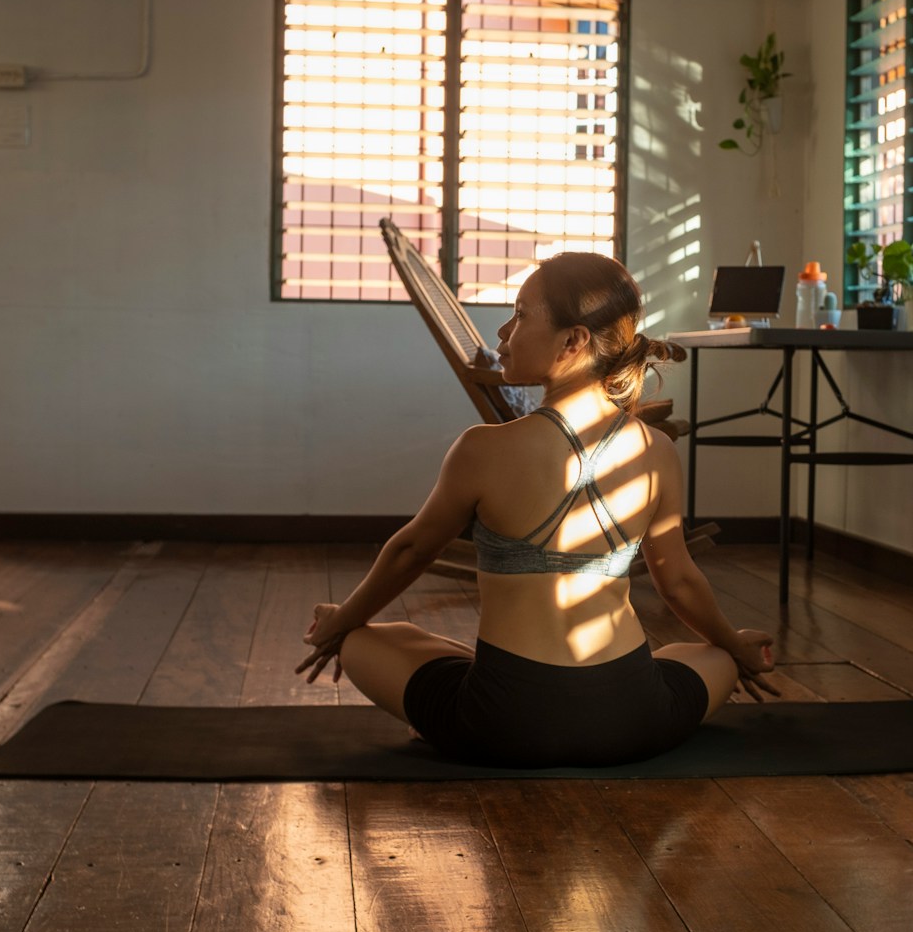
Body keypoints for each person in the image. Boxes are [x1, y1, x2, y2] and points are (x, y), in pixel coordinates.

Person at [295, 251, 777, 767]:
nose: (503, 332)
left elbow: (411, 551)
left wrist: (340, 622)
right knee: (704, 652)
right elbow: (677, 580)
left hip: (503, 724)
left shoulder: (481, 448)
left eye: (521, 314)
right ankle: (724, 653)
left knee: (368, 640)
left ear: (573, 341)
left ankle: (440, 709)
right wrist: (735, 645)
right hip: (634, 719)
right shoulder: (656, 449)